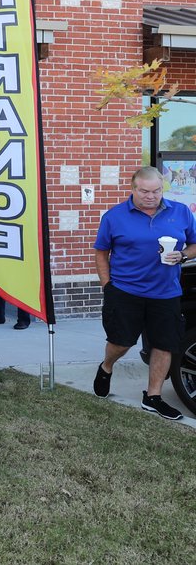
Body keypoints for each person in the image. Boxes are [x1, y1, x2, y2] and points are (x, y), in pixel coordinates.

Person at [92, 166, 196, 420]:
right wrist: (107, 286)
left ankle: (153, 397)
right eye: (145, 191)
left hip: (166, 292)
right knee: (121, 342)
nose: (151, 196)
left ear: (163, 189)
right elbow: (101, 252)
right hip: (125, 291)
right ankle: (106, 366)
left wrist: (183, 255)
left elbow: (194, 244)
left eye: (156, 191)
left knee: (164, 345)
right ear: (133, 189)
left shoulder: (180, 212)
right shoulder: (114, 216)